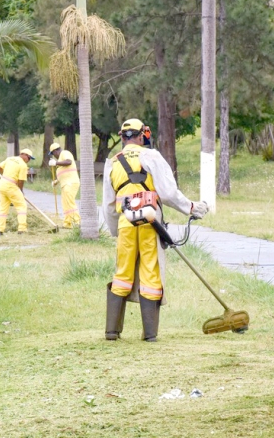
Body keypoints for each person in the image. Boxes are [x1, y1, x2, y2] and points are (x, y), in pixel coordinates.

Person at [102, 118, 209, 342]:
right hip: (150, 223)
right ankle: (150, 334)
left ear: (122, 138)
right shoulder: (151, 156)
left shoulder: (112, 162)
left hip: (125, 224)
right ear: (142, 136)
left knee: (122, 273)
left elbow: (109, 205)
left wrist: (116, 230)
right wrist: (190, 208)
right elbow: (168, 193)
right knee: (150, 271)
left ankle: (112, 331)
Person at [0, 148, 34, 235]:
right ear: (26, 156)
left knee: (3, 208)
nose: (29, 161)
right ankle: (22, 229)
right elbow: (21, 181)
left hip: (2, 184)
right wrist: (21, 191)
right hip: (11, 187)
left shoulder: (10, 159)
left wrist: (5, 175)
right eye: (29, 158)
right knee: (21, 206)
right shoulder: (23, 165)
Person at [48, 142, 80, 229]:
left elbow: (69, 162)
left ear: (55, 151)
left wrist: (56, 163)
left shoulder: (65, 153)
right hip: (65, 184)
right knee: (65, 204)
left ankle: (77, 222)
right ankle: (67, 223)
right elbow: (64, 173)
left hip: (71, 183)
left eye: (52, 153)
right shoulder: (60, 161)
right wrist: (56, 181)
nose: (53, 156)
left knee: (70, 203)